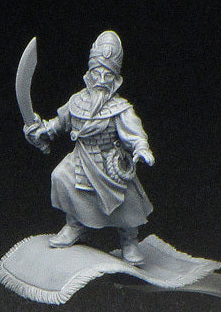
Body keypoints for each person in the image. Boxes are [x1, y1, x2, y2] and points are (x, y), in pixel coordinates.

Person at [24, 31, 154, 264]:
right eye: (97, 73)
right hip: (81, 157)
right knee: (61, 176)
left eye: (107, 74)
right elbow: (59, 123)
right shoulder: (77, 100)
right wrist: (43, 130)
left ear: (115, 78)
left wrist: (141, 148)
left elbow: (134, 132)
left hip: (109, 161)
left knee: (126, 199)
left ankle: (129, 240)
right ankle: (74, 225)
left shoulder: (120, 108)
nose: (101, 79)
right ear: (89, 74)